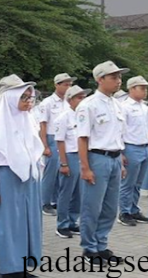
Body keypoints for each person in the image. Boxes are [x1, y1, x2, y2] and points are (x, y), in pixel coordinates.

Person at [0, 74, 45, 278]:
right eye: (23, 97)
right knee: (9, 224)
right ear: (11, 98)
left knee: (28, 221)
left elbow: (34, 148)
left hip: (28, 177)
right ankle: (7, 270)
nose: (28, 102)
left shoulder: (27, 119)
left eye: (30, 97)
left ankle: (22, 266)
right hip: (7, 176)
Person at [76, 61, 128, 266]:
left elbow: (116, 136)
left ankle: (101, 244)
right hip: (97, 158)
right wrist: (85, 167)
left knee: (109, 207)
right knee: (92, 206)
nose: (118, 81)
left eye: (119, 77)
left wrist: (121, 162)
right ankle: (89, 248)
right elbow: (82, 138)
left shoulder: (116, 104)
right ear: (100, 79)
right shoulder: (88, 105)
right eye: (113, 77)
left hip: (114, 158)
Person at [54, 85, 90, 239]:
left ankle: (72, 221)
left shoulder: (84, 115)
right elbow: (60, 141)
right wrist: (63, 163)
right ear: (70, 100)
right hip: (69, 155)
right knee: (66, 192)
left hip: (83, 156)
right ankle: (62, 224)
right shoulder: (63, 117)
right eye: (79, 97)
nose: (82, 100)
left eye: (84, 97)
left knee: (79, 192)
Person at [118, 76, 148, 227]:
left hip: (144, 146)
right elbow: (119, 130)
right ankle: (124, 211)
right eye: (142, 88)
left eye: (146, 88)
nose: (145, 91)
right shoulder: (124, 107)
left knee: (138, 183)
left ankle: (134, 209)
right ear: (132, 88)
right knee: (128, 182)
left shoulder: (145, 107)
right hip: (131, 146)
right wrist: (121, 152)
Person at [39, 73, 75, 216]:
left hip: (68, 138)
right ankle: (44, 202)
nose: (68, 87)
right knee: (50, 172)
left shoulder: (69, 102)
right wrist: (45, 145)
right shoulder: (47, 103)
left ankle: (56, 200)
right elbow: (43, 124)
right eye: (65, 84)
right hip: (52, 137)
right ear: (57, 85)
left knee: (62, 171)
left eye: (70, 84)